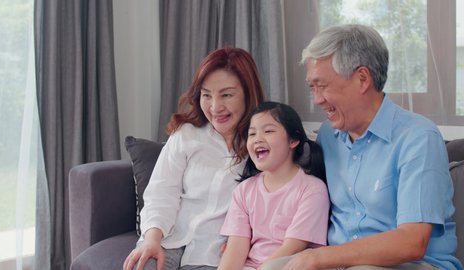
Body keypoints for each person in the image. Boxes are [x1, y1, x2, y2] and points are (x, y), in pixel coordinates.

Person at [262, 24, 463, 270]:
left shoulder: (418, 138)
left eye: (322, 85)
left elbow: (412, 241)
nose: (317, 100)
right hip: (340, 263)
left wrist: (317, 258)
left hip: (414, 264)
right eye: (311, 88)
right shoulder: (329, 135)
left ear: (362, 79)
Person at [123, 47, 265, 270]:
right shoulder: (186, 134)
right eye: (206, 95)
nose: (215, 107)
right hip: (166, 238)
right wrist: (151, 238)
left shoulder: (263, 144)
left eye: (226, 95)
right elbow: (162, 191)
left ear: (249, 93)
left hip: (214, 253)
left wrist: (244, 241)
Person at [218, 101, 330, 270]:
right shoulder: (244, 190)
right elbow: (235, 248)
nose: (257, 139)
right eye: (252, 134)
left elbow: (292, 248)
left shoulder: (313, 190)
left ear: (293, 140)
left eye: (268, 131)